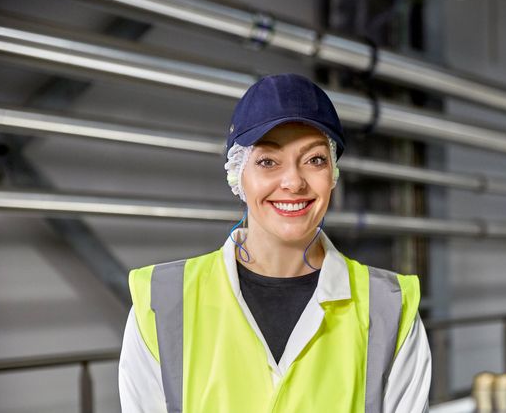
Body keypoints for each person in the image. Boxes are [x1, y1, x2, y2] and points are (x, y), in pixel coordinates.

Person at [118, 73, 431, 412]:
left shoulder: (389, 308)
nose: (293, 181)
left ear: (333, 175)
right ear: (238, 175)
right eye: (268, 161)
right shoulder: (161, 304)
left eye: (314, 160)